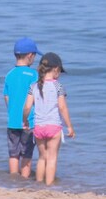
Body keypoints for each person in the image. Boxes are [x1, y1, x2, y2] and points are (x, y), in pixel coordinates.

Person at [23, 52, 76, 185]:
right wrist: (69, 126)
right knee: (52, 159)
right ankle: (49, 185)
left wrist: (25, 121)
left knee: (42, 158)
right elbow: (63, 107)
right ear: (56, 70)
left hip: (39, 128)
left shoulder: (33, 86)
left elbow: (27, 107)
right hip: (53, 127)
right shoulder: (57, 86)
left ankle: (39, 182)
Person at [3, 37, 42, 178]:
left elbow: (6, 97)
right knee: (27, 153)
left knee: (13, 153)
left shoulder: (9, 74)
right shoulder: (34, 75)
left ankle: (13, 176)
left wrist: (13, 112)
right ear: (30, 55)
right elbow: (36, 99)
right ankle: (24, 178)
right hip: (29, 122)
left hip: (12, 121)